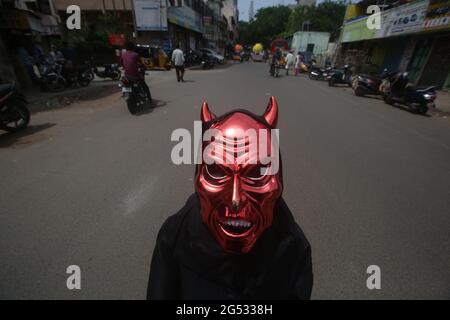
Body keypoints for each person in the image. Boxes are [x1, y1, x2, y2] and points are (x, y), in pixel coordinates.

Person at [147, 97, 313, 299]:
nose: (235, 199)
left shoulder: (292, 247)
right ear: (198, 176)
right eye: (217, 172)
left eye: (256, 173)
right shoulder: (176, 235)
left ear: (278, 181)